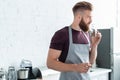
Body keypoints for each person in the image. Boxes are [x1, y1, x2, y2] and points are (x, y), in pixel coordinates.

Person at [47, 1, 102, 80]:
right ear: (79, 17)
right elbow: (50, 63)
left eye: (91, 17)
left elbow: (90, 62)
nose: (91, 20)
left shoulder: (86, 35)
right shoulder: (62, 34)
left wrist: (95, 45)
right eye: (88, 17)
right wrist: (75, 67)